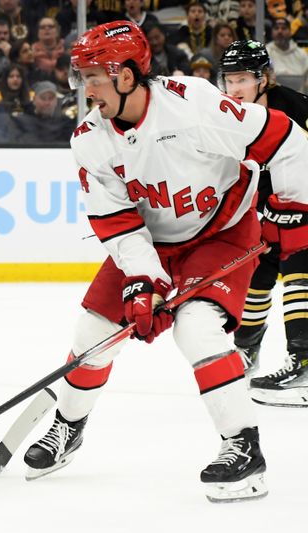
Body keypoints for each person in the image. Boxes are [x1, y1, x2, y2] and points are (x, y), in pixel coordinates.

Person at [22, 20, 308, 503]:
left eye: (94, 76)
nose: (85, 88)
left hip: (222, 231)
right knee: (92, 332)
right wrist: (144, 280)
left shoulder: (192, 104)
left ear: (128, 76)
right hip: (152, 240)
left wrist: (293, 206)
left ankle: (242, 446)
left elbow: (286, 139)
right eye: (83, 77)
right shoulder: (89, 139)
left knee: (196, 327)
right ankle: (67, 428)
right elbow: (115, 223)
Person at [218, 40, 308, 407]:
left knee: (300, 271)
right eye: (229, 80)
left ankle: (302, 359)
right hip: (271, 208)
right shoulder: (226, 118)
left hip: (303, 204)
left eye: (242, 79)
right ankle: (246, 350)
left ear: (264, 79)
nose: (234, 89)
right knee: (257, 275)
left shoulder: (296, 109)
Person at [266, 17, 308, 92]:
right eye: (276, 28)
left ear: (290, 32)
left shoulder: (301, 54)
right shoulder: (266, 53)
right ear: (271, 32)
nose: (280, 31)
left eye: (284, 28)